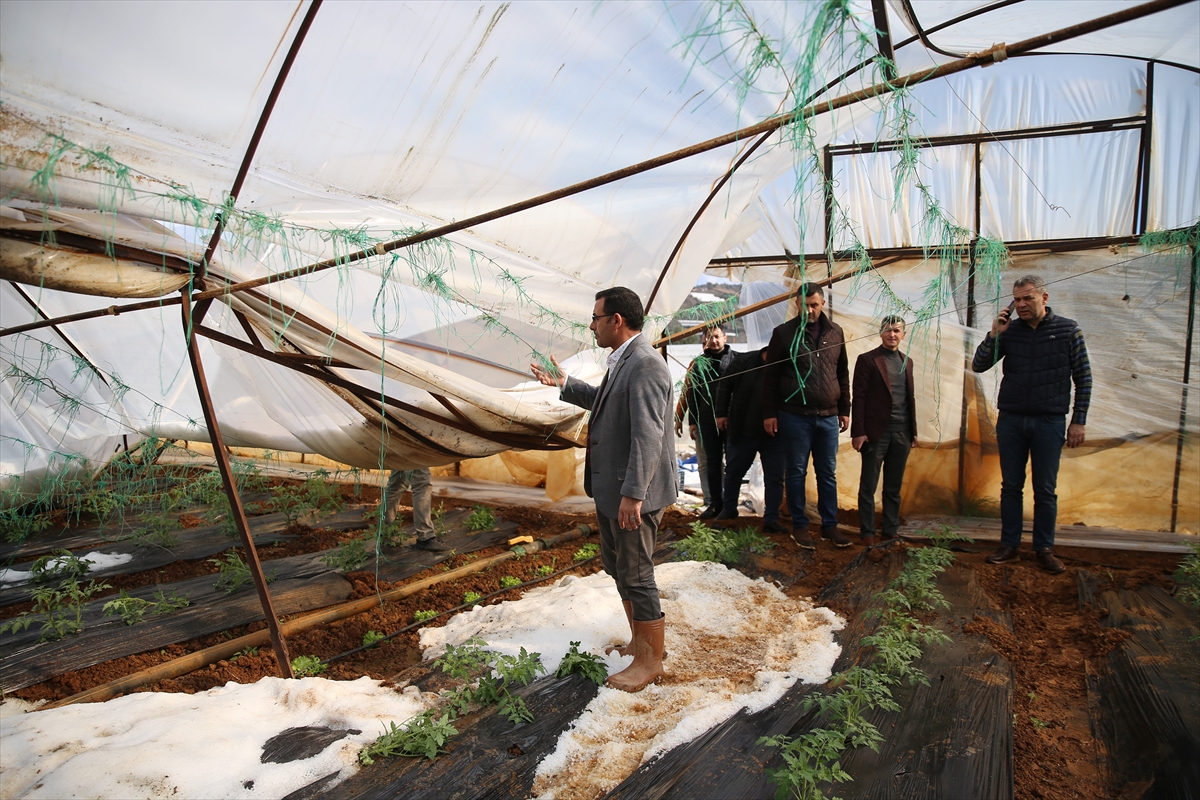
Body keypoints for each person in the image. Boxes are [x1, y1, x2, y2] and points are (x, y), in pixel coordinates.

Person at [531, 286, 676, 692]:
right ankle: (639, 644)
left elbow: (648, 435)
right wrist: (565, 383)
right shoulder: (623, 360)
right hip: (614, 488)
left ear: (616, 320)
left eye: (595, 318)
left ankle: (650, 662)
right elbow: (607, 402)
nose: (591, 325)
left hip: (633, 493)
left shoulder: (646, 364)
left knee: (637, 572)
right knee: (619, 568)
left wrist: (634, 494)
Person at [972, 274, 1091, 574]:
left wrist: (1078, 421)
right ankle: (1009, 545)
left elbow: (1084, 378)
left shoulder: (1068, 330)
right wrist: (994, 335)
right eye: (1017, 300)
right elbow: (978, 365)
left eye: (1028, 298)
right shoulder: (1009, 332)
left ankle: (1043, 548)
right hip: (1011, 420)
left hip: (1049, 421)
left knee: (1045, 490)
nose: (1021, 305)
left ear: (1044, 298)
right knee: (1011, 486)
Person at [762, 283, 851, 549]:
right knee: (797, 471)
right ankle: (800, 526)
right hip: (794, 416)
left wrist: (845, 409)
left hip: (827, 417)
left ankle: (830, 526)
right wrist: (770, 414)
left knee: (827, 473)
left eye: (814, 304)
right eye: (805, 305)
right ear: (797, 305)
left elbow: (843, 372)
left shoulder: (836, 332)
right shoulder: (784, 334)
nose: (810, 310)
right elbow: (771, 378)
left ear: (823, 304)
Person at [851, 316, 918, 547]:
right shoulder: (868, 360)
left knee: (893, 487)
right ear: (881, 333)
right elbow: (858, 397)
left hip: (902, 432)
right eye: (888, 331)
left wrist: (913, 431)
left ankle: (890, 532)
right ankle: (868, 533)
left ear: (903, 334)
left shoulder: (906, 362)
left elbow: (910, 398)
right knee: (868, 486)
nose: (892, 335)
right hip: (875, 433)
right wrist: (858, 432)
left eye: (897, 331)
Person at [714, 346, 786, 533]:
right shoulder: (745, 362)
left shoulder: (786, 365)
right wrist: (721, 413)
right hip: (743, 429)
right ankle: (729, 509)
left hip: (775, 434)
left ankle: (771, 518)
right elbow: (725, 385)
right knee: (734, 472)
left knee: (775, 477)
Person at [674, 325, 736, 519]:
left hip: (731, 420)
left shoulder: (736, 361)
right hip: (705, 421)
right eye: (709, 338)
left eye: (716, 337)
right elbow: (691, 393)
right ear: (703, 341)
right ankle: (711, 501)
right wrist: (688, 420)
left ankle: (727, 503)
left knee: (732, 462)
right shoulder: (698, 363)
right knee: (708, 462)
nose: (713, 341)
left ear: (725, 337)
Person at [383, 467, 450, 552]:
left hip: (398, 453)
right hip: (410, 453)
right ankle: (425, 536)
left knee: (397, 482)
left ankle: (385, 531)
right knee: (421, 482)